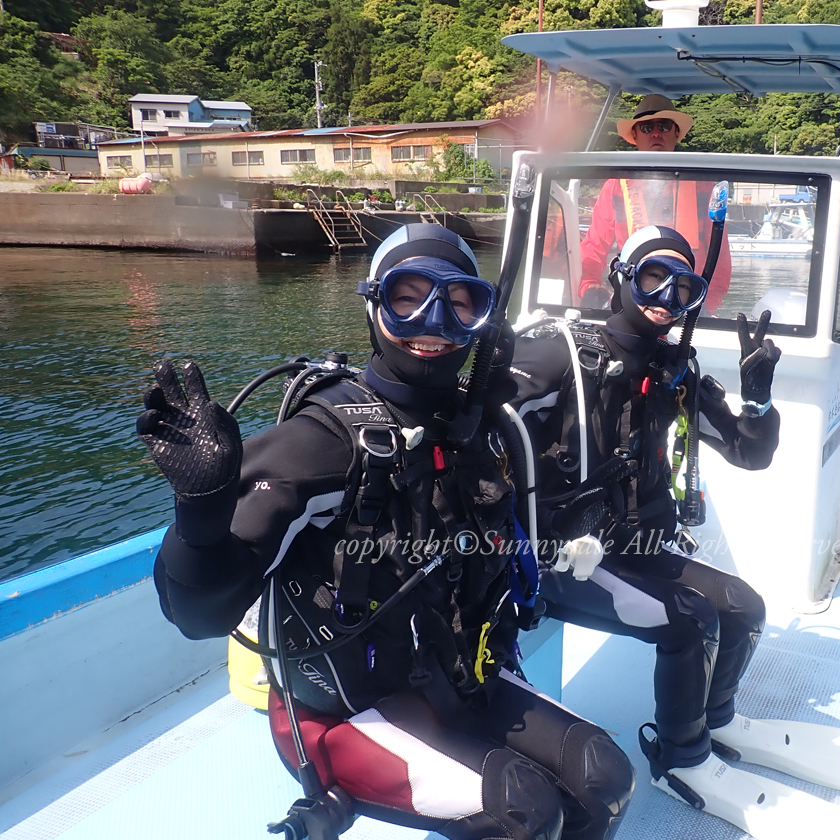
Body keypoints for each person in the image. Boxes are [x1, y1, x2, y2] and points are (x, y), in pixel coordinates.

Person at [137, 224, 634, 840]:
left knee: (603, 776)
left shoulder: (478, 429)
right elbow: (197, 616)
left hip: (455, 675)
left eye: (459, 304)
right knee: (526, 812)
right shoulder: (325, 441)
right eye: (408, 295)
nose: (433, 320)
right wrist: (201, 511)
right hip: (339, 712)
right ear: (373, 304)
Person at [510, 225, 800, 831]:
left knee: (743, 608)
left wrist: (760, 398)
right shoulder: (561, 351)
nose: (665, 297)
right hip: (564, 556)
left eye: (683, 288)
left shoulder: (677, 368)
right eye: (651, 278)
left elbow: (749, 454)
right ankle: (680, 755)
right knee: (690, 621)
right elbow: (479, 414)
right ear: (621, 274)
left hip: (635, 542)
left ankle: (712, 720)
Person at [577, 95, 732, 311]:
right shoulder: (616, 186)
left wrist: (707, 303)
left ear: (677, 133)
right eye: (647, 127)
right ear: (635, 135)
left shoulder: (704, 186)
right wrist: (590, 287)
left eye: (665, 126)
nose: (656, 133)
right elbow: (594, 247)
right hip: (633, 302)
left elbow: (719, 256)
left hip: (686, 303)